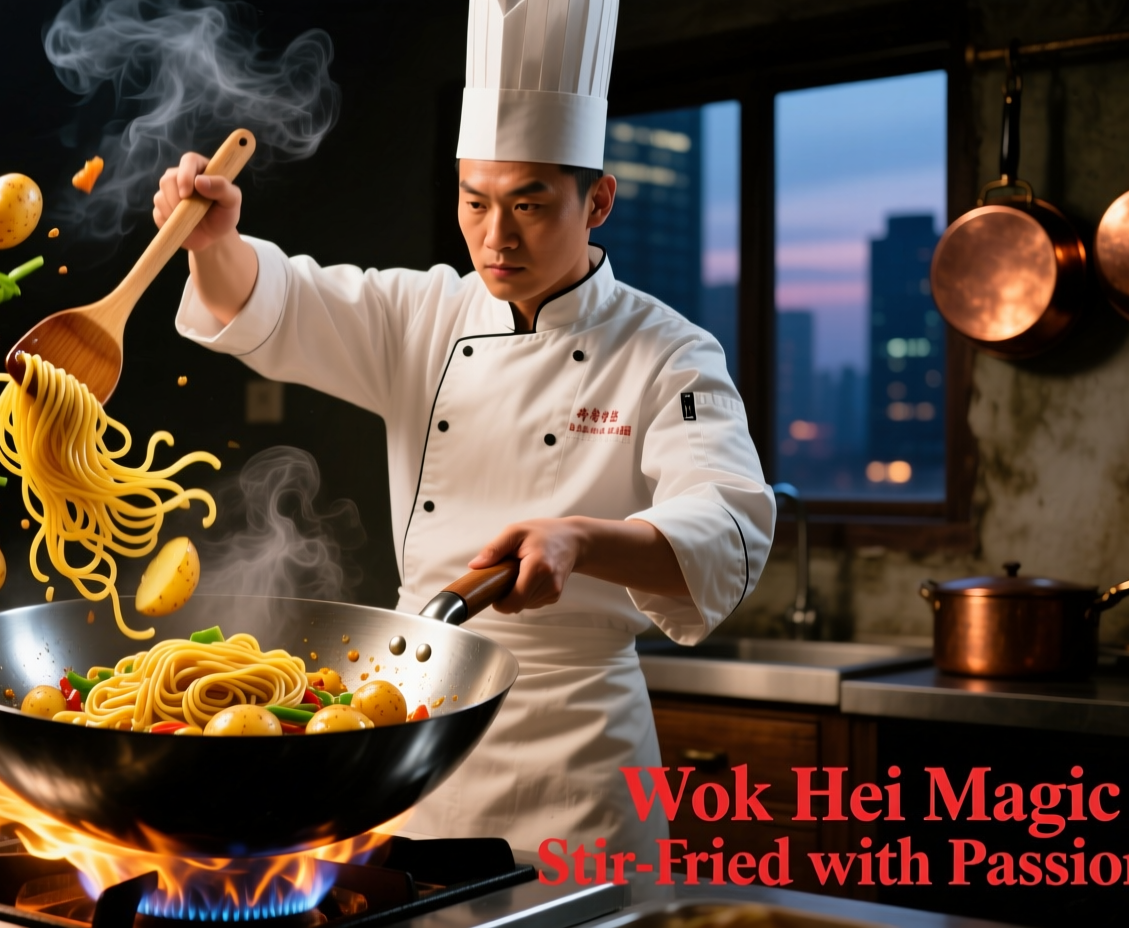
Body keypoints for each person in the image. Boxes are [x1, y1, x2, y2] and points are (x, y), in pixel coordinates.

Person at [160, 0, 774, 863]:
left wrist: (580, 539)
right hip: (415, 734)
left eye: (529, 205)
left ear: (598, 200)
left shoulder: (668, 350)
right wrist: (214, 242)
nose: (496, 237)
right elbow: (276, 300)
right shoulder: (425, 313)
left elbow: (728, 527)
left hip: (574, 760)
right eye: (474, 201)